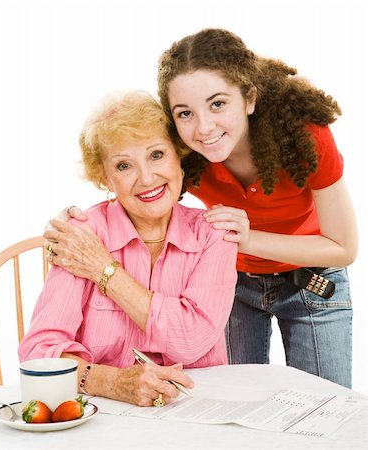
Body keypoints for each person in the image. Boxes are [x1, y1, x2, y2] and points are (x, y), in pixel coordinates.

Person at [52, 28, 357, 388]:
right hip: (234, 285)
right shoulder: (190, 156)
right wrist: (76, 223)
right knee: (237, 404)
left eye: (217, 104)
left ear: (249, 98)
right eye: (185, 113)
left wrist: (247, 238)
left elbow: (344, 247)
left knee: (326, 410)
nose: (204, 127)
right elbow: (139, 179)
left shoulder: (304, 138)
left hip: (311, 278)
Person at [19, 90, 238, 407]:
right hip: (104, 411)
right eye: (124, 166)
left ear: (179, 157)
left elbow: (191, 339)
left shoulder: (213, 234)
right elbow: (39, 352)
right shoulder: (82, 235)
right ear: (104, 177)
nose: (147, 178)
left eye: (157, 155)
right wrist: (111, 382)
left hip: (198, 410)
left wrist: (102, 269)